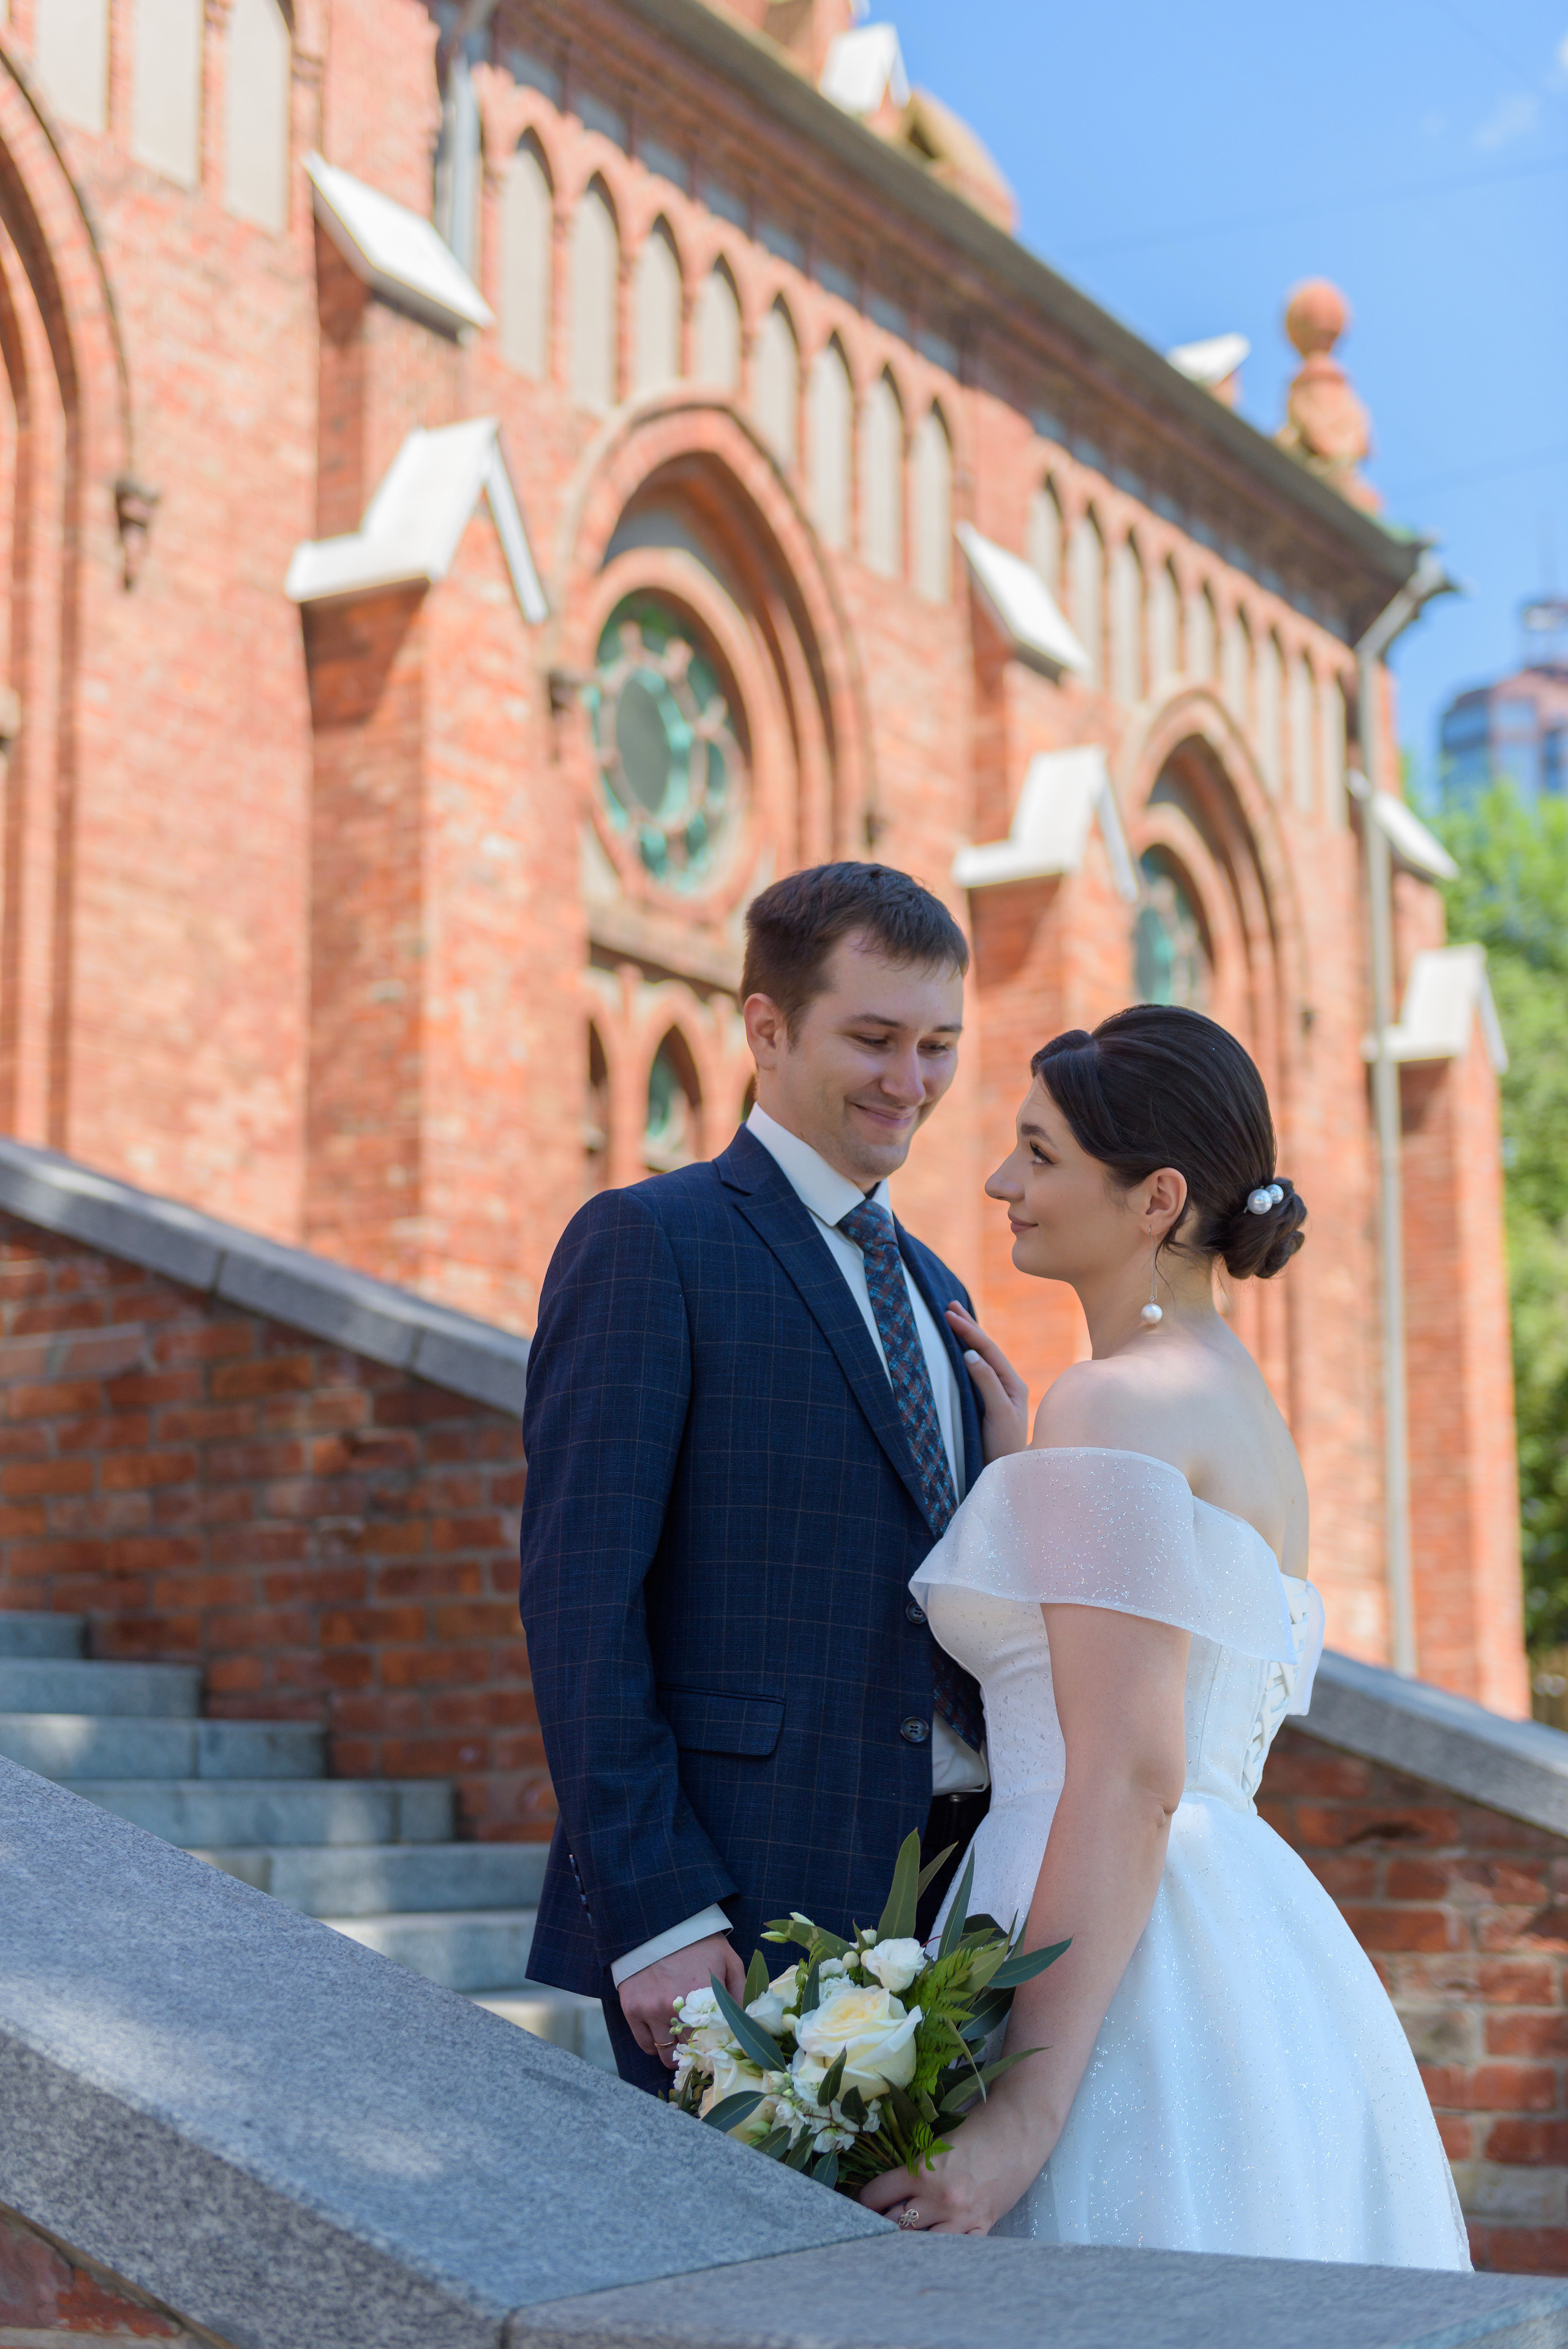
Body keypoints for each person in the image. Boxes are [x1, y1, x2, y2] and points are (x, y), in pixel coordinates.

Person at [862, 1005, 1470, 2268]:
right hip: (1237, 1941)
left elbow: (1131, 1771)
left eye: (1039, 1154)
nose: (1000, 1182)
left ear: (1155, 1200)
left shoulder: (1114, 1405)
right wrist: (1031, 1483)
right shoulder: (1236, 1404)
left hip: (1099, 1940)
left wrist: (1023, 2116)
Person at [518, 864, 990, 2092]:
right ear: (767, 1028)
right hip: (735, 1916)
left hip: (950, 1907)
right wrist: (657, 1913)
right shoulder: (649, 1241)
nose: (911, 1082)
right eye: (874, 1040)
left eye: (938, 1045)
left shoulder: (942, 1291)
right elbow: (581, 1602)